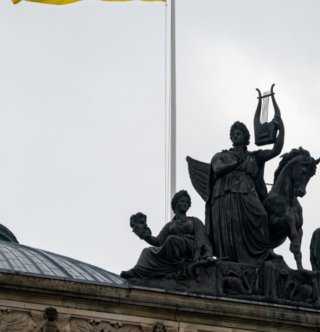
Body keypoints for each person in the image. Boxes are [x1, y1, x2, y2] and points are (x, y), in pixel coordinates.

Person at [208, 119, 284, 264]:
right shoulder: (220, 156)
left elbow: (276, 150)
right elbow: (217, 169)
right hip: (225, 193)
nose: (235, 136)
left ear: (245, 137)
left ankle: (263, 252)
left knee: (261, 215)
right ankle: (231, 259)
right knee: (231, 224)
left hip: (246, 190)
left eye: (238, 134)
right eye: (233, 134)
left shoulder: (253, 157)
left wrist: (282, 130)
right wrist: (236, 163)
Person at [122, 190, 212, 279]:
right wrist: (145, 236)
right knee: (147, 251)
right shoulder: (169, 225)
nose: (185, 204)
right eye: (182, 201)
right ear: (175, 204)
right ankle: (138, 271)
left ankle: (171, 270)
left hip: (190, 249)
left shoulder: (195, 221)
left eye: (187, 202)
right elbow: (158, 241)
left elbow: (205, 240)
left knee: (171, 239)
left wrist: (208, 255)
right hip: (173, 248)